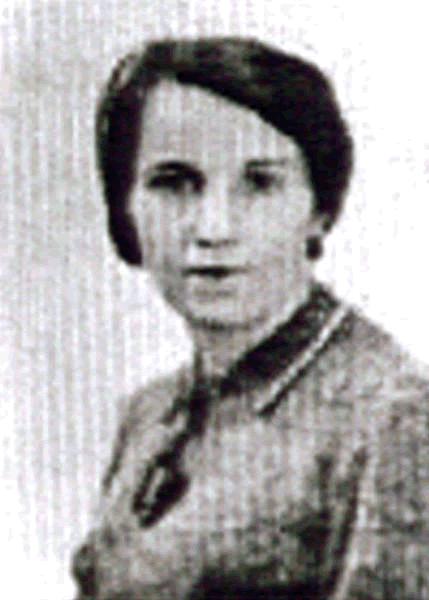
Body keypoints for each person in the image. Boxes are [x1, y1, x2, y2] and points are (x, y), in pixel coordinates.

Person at [72, 37, 429, 600]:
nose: (214, 228)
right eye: (174, 183)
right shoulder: (148, 416)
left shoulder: (393, 417)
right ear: (125, 208)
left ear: (319, 209)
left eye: (260, 183)